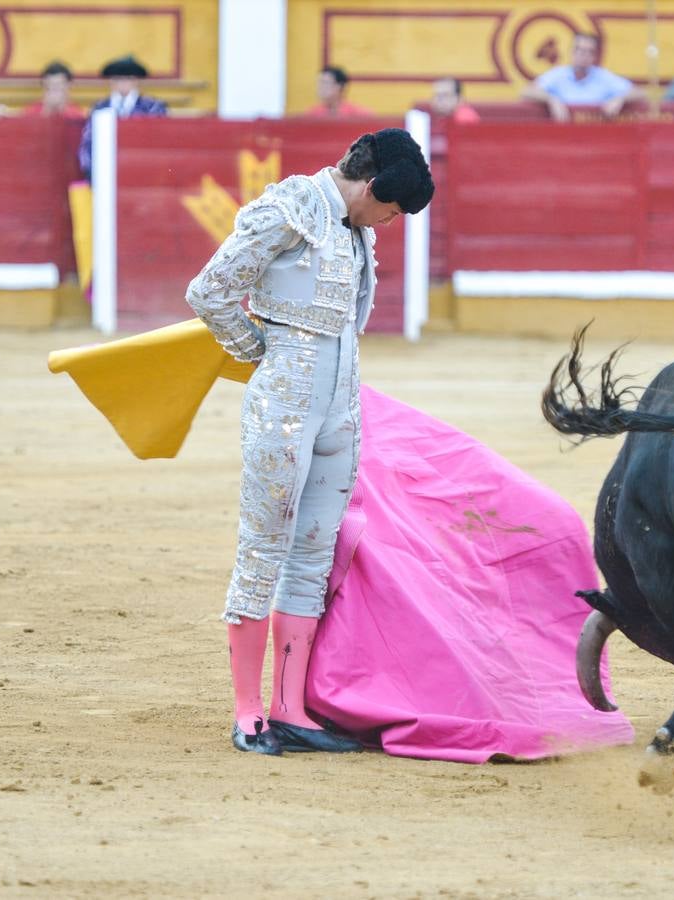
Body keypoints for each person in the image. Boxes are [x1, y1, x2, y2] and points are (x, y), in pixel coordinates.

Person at [185, 128, 434, 755]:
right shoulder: (290, 208)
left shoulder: (357, 230)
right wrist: (257, 354)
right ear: (373, 187)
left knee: (312, 556)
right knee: (264, 547)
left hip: (339, 409)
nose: (392, 222)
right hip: (286, 408)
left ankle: (290, 707)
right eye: (393, 209)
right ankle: (247, 712)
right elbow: (208, 290)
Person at [78, 55, 168, 178]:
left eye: (128, 78)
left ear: (136, 80)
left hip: (143, 173)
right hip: (105, 175)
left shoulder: (152, 107)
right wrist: (93, 174)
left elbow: (159, 144)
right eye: (118, 78)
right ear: (111, 81)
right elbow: (88, 143)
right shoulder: (99, 108)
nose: (123, 82)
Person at [520, 32, 644, 122]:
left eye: (588, 51)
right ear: (572, 52)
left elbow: (640, 93)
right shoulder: (558, 75)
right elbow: (527, 91)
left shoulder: (603, 77)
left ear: (594, 56)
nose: (583, 55)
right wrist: (552, 100)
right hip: (564, 138)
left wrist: (620, 99)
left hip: (596, 139)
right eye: (579, 50)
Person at [306, 66, 372, 117]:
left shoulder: (359, 115)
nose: (320, 87)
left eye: (325, 83)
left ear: (340, 86)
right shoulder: (313, 115)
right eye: (319, 83)